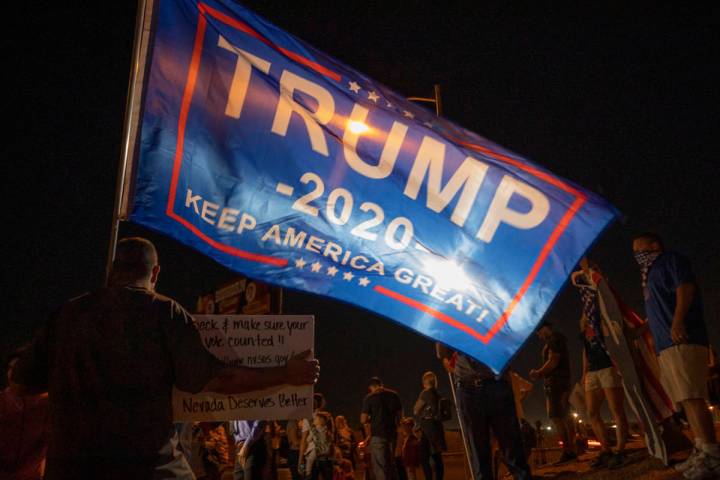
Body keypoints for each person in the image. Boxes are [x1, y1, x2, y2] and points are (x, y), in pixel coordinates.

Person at [10, 237, 320, 479]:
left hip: (69, 468)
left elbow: (22, 384)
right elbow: (216, 378)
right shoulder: (165, 313)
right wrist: (286, 373)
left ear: (111, 269)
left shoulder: (67, 314)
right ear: (155, 273)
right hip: (147, 467)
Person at [632, 232, 719, 479]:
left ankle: (713, 455)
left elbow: (685, 288)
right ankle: (702, 449)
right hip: (665, 345)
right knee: (684, 398)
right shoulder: (648, 275)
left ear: (654, 245)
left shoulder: (670, 260)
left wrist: (678, 321)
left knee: (693, 395)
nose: (637, 255)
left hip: (683, 338)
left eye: (640, 249)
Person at [437, 344, 531, 479]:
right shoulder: (454, 324)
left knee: (511, 445)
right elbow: (443, 355)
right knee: (478, 448)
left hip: (496, 383)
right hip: (468, 387)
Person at [571, 265, 629, 469]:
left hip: (608, 366)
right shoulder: (586, 318)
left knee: (616, 409)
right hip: (593, 371)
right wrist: (584, 373)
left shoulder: (605, 309)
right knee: (591, 412)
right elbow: (585, 350)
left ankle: (621, 450)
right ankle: (606, 449)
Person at [529, 321, 577, 464]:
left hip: (556, 384)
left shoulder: (554, 340)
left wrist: (538, 373)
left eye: (538, 333)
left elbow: (553, 360)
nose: (539, 336)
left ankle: (568, 451)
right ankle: (570, 450)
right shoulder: (558, 339)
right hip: (560, 383)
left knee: (557, 416)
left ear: (544, 329)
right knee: (563, 416)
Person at [0, 347, 49, 480]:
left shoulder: (49, 403)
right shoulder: (2, 401)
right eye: (10, 368)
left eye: (18, 370)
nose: (12, 374)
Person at [360, 377, 403, 480]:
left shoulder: (370, 398)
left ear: (372, 387)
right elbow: (400, 415)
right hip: (392, 434)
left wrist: (371, 418)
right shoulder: (394, 395)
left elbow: (363, 419)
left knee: (380, 467)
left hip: (378, 435)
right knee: (391, 464)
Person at [412, 371, 446, 480]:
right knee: (437, 457)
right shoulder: (438, 394)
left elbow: (416, 410)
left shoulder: (425, 393)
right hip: (437, 426)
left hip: (427, 427)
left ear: (424, 382)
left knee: (424, 456)